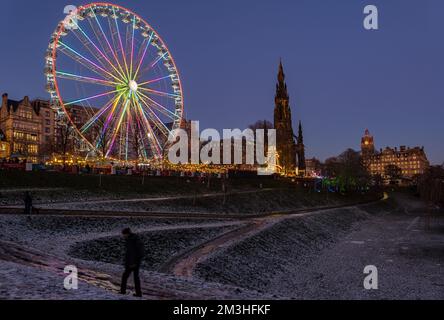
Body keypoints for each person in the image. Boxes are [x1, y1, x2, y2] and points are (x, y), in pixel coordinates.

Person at [120, 228, 144, 297]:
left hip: (132, 262)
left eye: (124, 234)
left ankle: (123, 291)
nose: (123, 236)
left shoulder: (131, 240)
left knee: (125, 276)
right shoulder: (134, 239)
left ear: (127, 234)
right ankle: (138, 293)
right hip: (135, 261)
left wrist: (132, 263)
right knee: (135, 278)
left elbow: (132, 253)